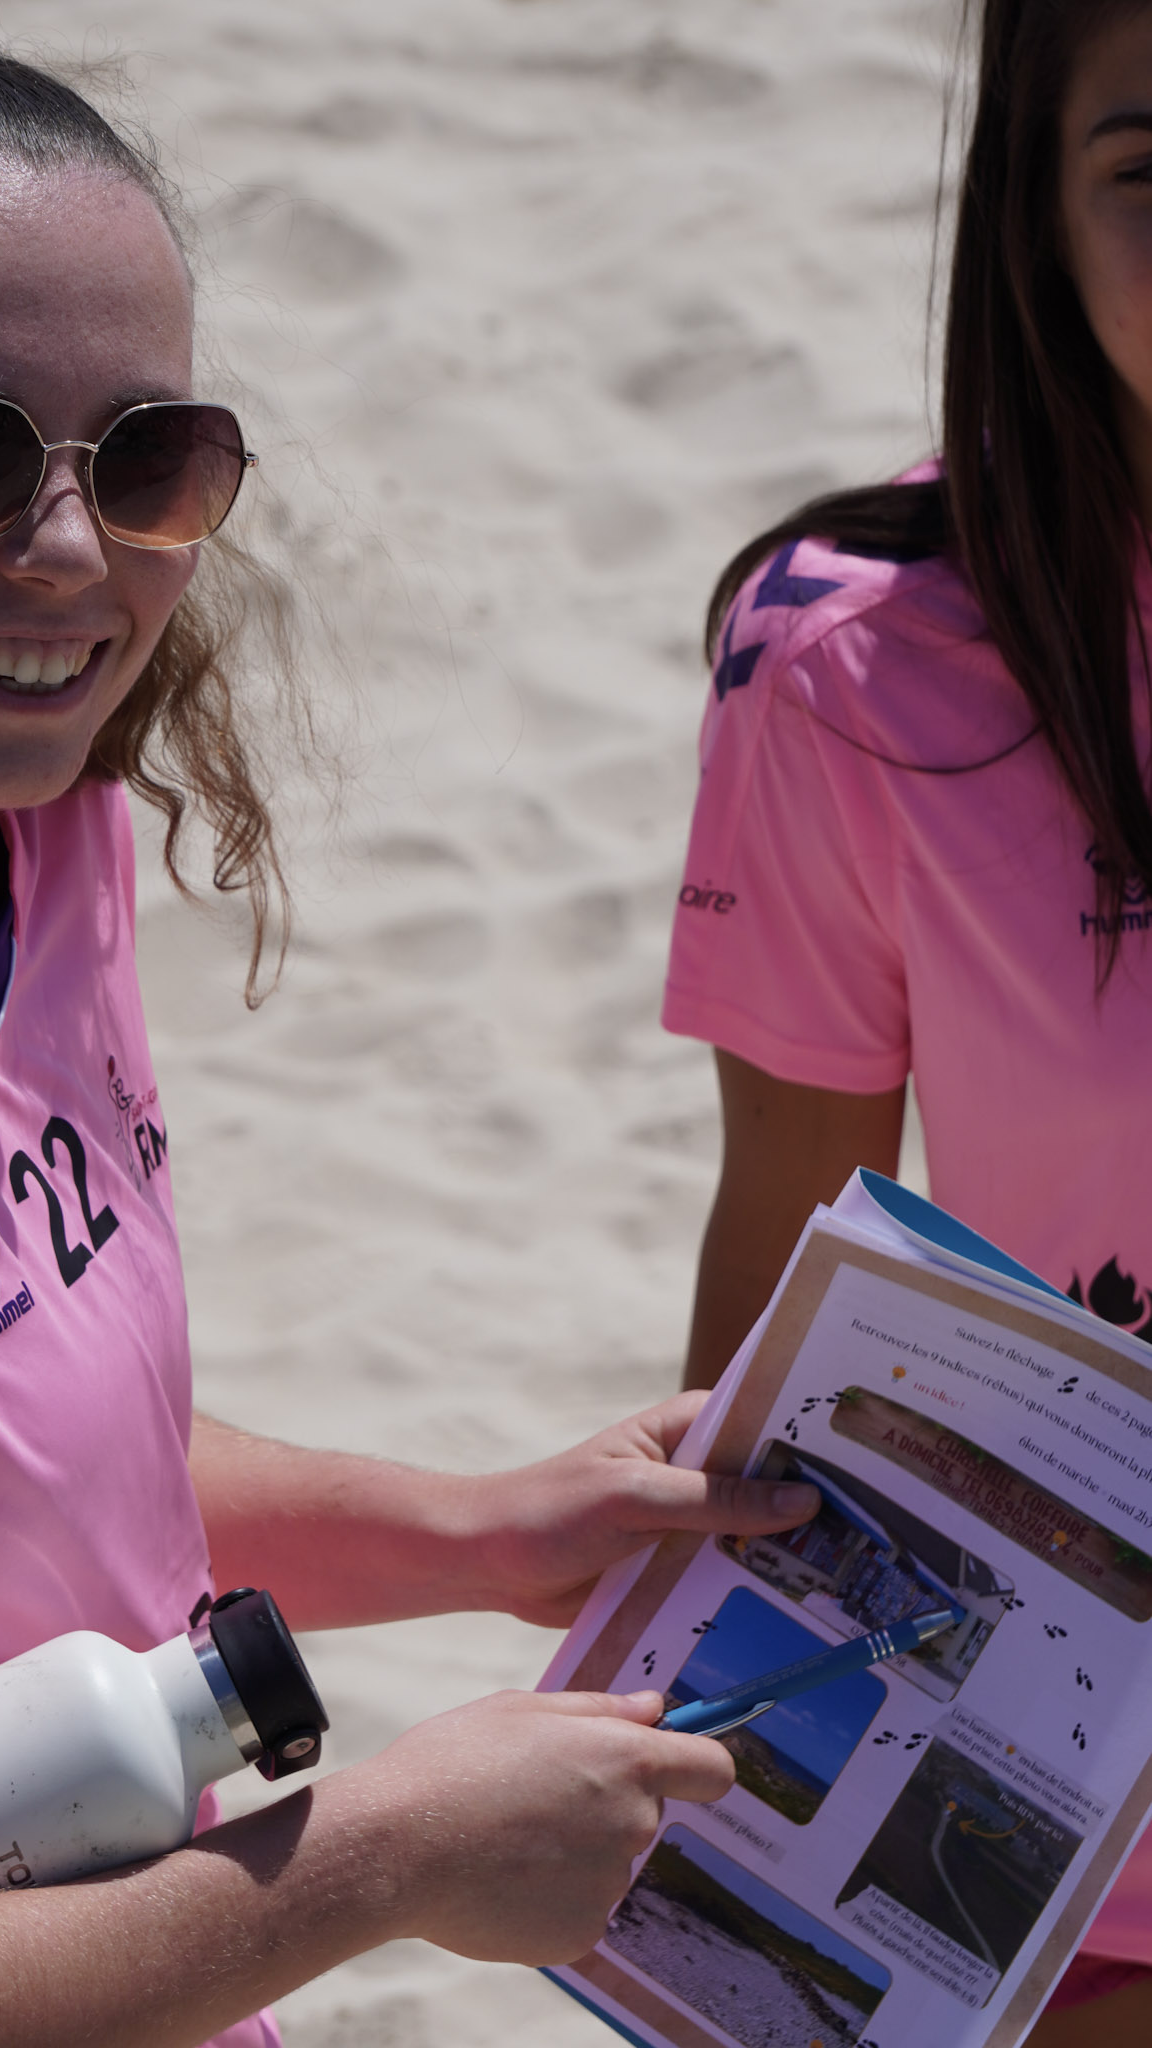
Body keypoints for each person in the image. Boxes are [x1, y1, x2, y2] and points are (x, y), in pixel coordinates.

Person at [0, 13, 825, 2047]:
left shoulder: (47, 845)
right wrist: (381, 1858)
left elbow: (17, 1472)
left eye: (149, 461)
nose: (69, 552)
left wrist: (486, 1531)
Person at [662, 2, 1152, 2040]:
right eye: (1149, 172)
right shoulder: (849, 664)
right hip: (1073, 1823)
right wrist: (724, 1839)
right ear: (1035, 210)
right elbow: (791, 1281)